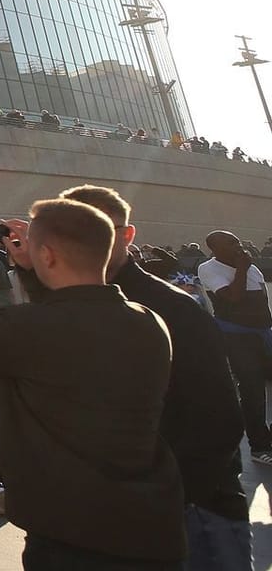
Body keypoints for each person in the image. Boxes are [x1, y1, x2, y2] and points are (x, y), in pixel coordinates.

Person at [0, 204, 184, 569]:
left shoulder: (27, 329)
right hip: (148, 524)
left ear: (45, 254)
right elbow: (71, 320)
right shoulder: (149, 322)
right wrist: (33, 271)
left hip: (69, 533)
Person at [61, 187, 251, 569]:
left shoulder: (173, 308)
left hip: (193, 514)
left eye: (98, 231)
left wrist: (163, 498)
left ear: (127, 235)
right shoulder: (73, 309)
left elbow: (220, 421)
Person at [197, 231, 272, 467]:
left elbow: (262, 300)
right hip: (237, 337)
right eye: (231, 243)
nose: (238, 246)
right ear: (214, 248)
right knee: (252, 390)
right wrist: (241, 268)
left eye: (238, 241)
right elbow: (234, 298)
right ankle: (259, 446)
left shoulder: (250, 267)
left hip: (262, 334)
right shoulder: (209, 269)